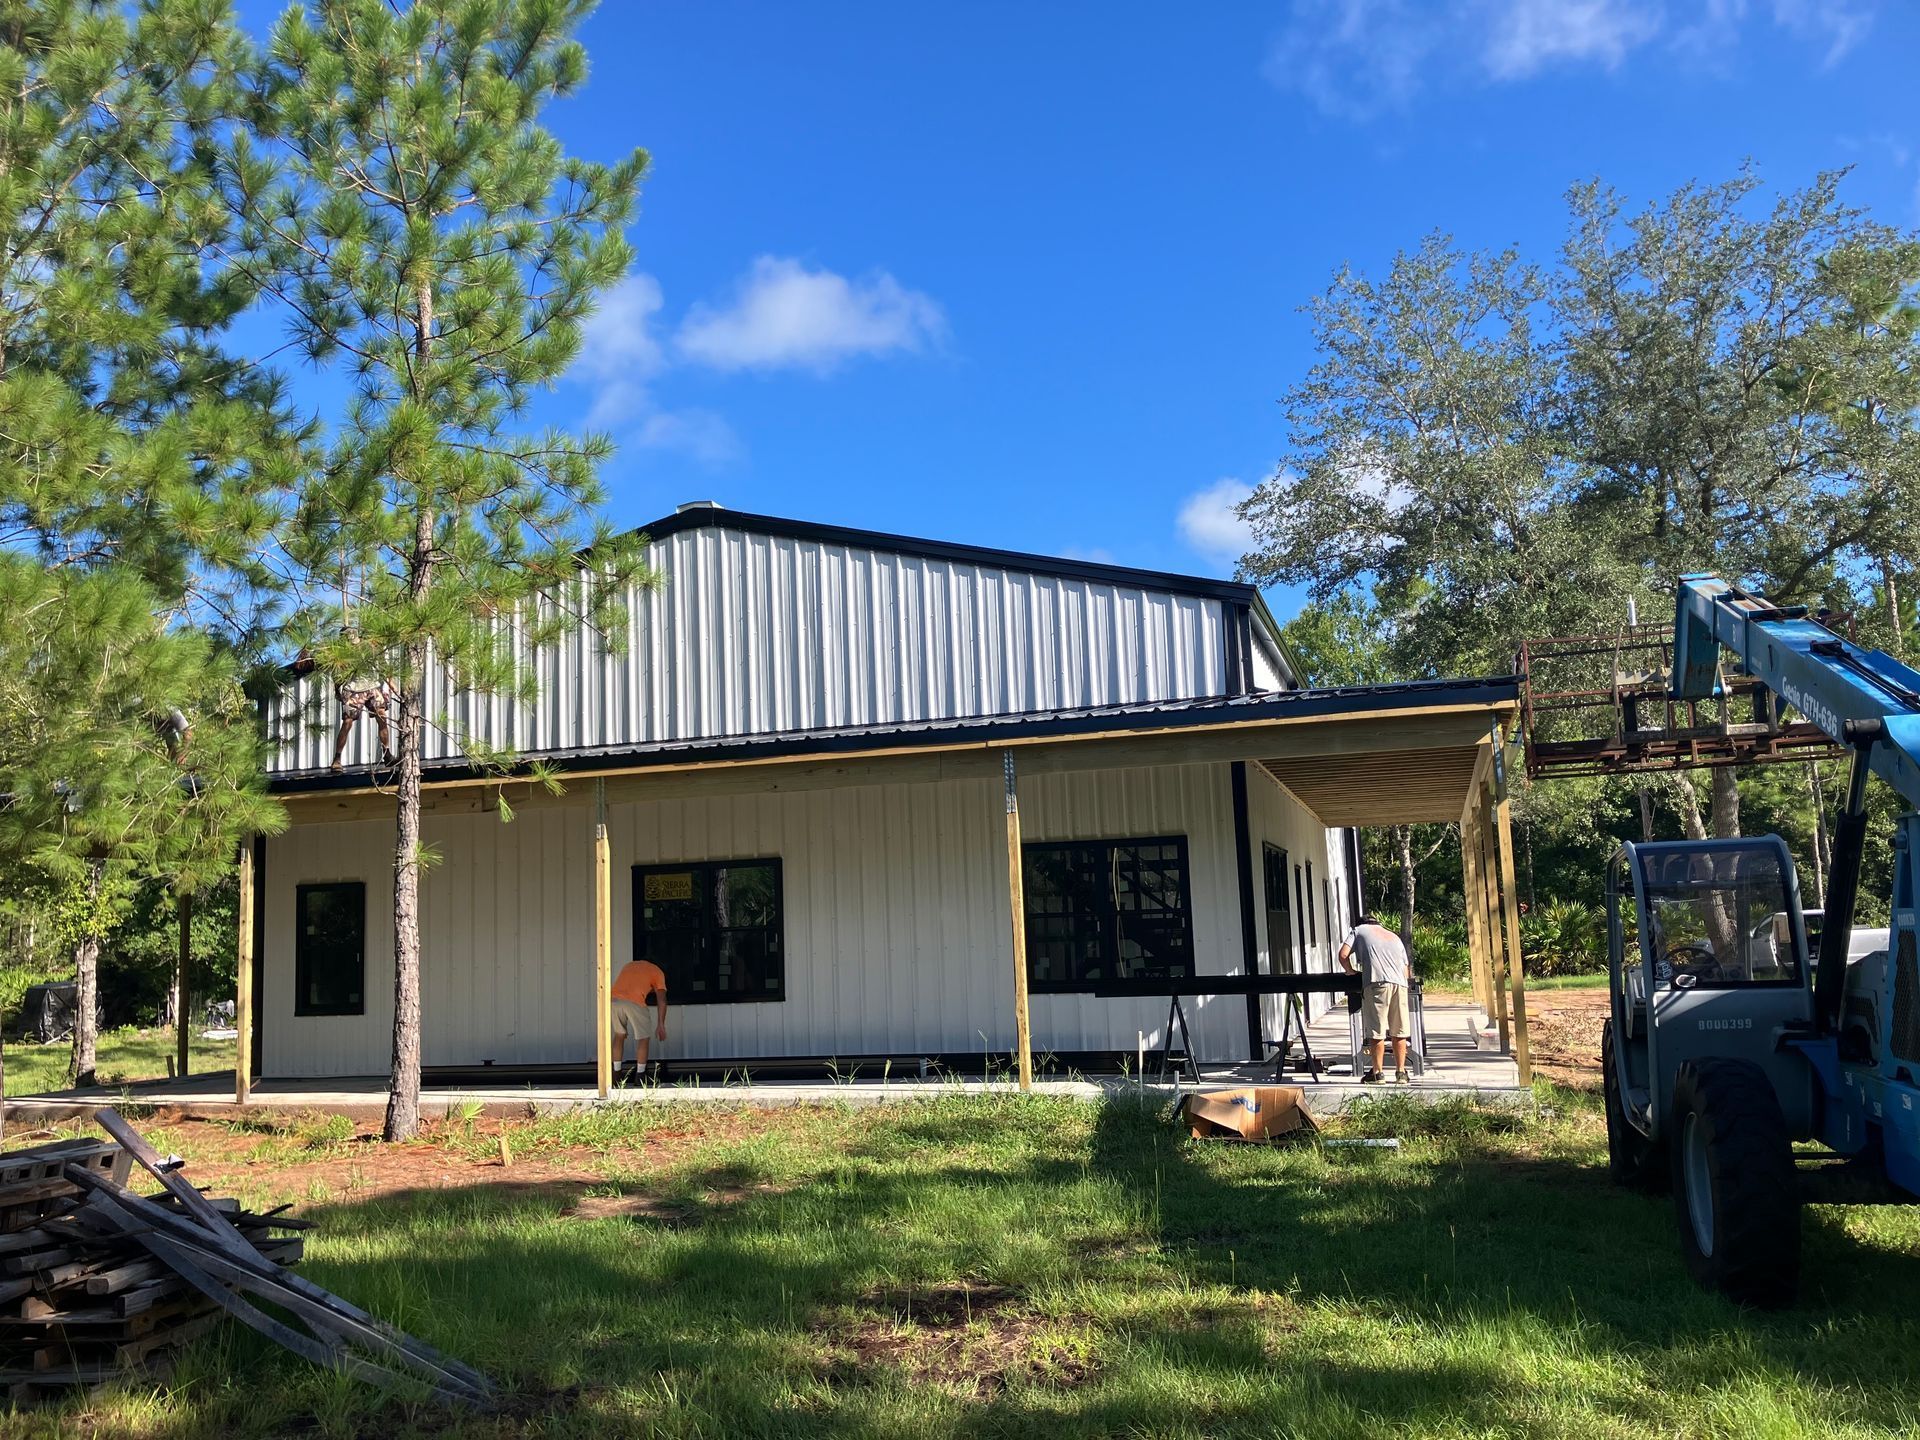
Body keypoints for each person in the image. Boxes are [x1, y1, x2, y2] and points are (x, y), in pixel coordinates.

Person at [1338, 921, 1411, 1084]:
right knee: (1399, 1029)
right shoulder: (1393, 936)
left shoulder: (1357, 930)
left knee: (1376, 1029)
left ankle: (1378, 1073)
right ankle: (1401, 1073)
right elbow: (1406, 967)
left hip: (1377, 982)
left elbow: (1343, 955)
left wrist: (1350, 971)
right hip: (1400, 983)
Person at [610, 957, 668, 1078]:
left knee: (619, 1035)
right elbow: (662, 1000)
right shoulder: (658, 972)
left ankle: (616, 1074)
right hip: (635, 1001)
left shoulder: (629, 965)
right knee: (643, 1038)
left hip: (614, 1000)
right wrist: (661, 1024)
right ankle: (640, 1075)